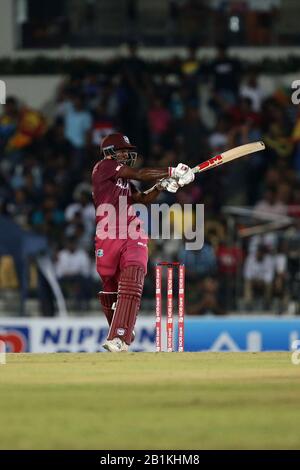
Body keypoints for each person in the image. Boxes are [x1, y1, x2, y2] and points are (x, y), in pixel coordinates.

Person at [92, 133, 194, 352]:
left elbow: (142, 199)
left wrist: (161, 186)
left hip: (132, 233)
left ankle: (119, 336)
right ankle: (122, 324)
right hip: (106, 237)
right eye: (121, 151)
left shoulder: (123, 179)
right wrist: (172, 171)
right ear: (109, 152)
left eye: (127, 151)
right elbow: (140, 173)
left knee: (132, 278)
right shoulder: (105, 167)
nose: (126, 154)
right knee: (110, 290)